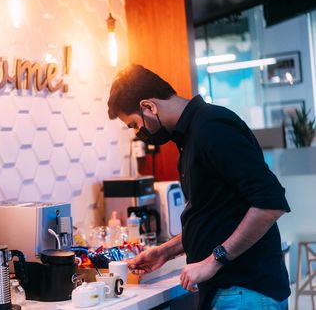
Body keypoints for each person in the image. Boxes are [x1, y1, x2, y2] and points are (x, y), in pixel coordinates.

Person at [107, 64, 291, 310]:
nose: (139, 134)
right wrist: (164, 251)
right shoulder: (192, 136)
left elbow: (270, 203)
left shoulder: (212, 127)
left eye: (134, 125)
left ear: (148, 107)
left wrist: (213, 260)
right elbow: (215, 216)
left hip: (245, 290)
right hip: (232, 291)